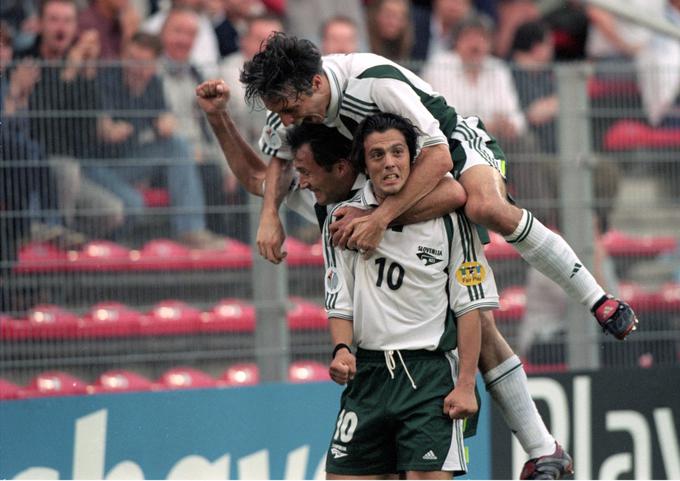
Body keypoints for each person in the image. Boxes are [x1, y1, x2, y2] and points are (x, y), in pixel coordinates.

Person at [196, 77, 572, 479]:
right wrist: (220, 120)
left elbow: (455, 195)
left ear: (343, 168)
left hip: (429, 370)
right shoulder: (331, 208)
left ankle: (542, 447)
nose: (300, 182)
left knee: (478, 317)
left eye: (305, 172)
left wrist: (381, 218)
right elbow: (261, 182)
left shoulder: (402, 186)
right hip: (374, 372)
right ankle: (542, 449)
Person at [322, 112, 491, 478]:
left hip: (428, 376)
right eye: (377, 155)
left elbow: (470, 306)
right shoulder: (341, 220)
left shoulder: (451, 218)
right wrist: (341, 351)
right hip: (368, 375)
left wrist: (465, 385)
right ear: (365, 165)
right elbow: (340, 301)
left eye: (398, 152)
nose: (389, 163)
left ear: (413, 159)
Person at [90, 31, 225, 249]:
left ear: (154, 65)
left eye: (143, 63)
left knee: (177, 146)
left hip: (131, 161)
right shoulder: (106, 79)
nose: (136, 68)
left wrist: (168, 124)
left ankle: (191, 230)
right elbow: (103, 129)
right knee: (134, 202)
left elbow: (165, 122)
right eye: (132, 59)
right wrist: (109, 129)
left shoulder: (153, 84)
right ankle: (117, 245)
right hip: (100, 165)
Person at [365, 0, 414, 64]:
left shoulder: (409, 47)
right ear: (375, 14)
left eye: (399, 17)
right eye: (388, 15)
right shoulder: (363, 43)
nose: (393, 23)